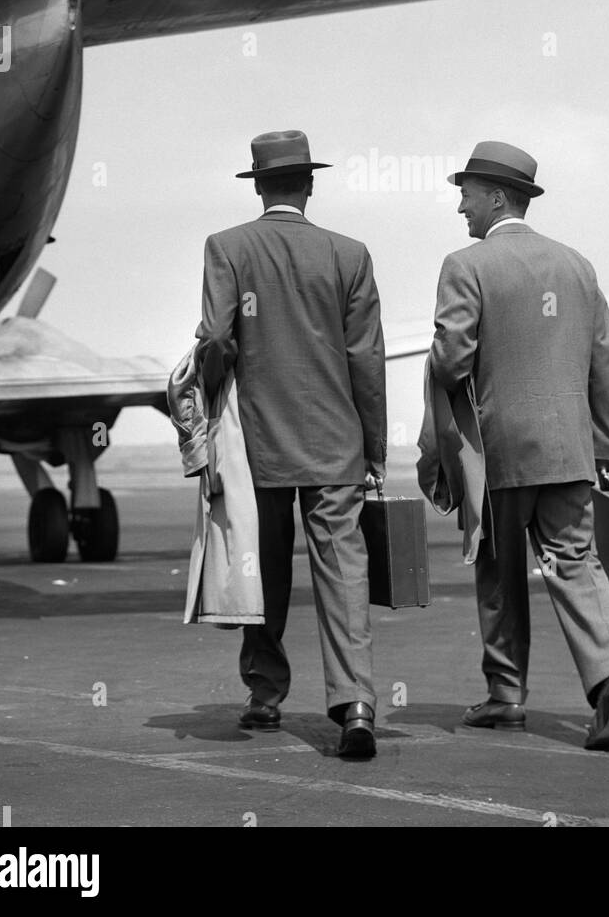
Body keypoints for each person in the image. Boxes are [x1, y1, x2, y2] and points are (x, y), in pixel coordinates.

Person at [428, 140, 609, 749]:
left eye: (465, 195)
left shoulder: (465, 265)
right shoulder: (578, 266)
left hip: (500, 453)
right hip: (569, 450)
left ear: (496, 197)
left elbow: (450, 361)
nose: (460, 208)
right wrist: (608, 447)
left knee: (499, 570)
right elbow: (607, 364)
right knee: (576, 564)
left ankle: (505, 696)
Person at [195, 130, 387, 759]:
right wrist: (374, 449)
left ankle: (265, 695)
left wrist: (218, 399)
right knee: (343, 576)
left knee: (264, 573)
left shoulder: (227, 248)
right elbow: (367, 360)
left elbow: (216, 342)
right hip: (336, 446)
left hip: (259, 446)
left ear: (257, 185)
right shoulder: (350, 254)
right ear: (310, 183)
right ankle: (355, 702)